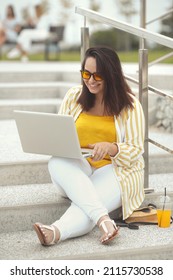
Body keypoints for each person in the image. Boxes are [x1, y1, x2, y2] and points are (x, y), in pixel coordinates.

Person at [33, 46, 145, 246]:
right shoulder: (73, 97)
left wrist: (112, 148)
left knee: (89, 204)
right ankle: (104, 219)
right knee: (57, 161)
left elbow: (136, 150)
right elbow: (58, 133)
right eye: (86, 73)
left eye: (97, 75)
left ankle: (55, 232)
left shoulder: (131, 106)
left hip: (115, 170)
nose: (90, 80)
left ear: (111, 75)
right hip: (77, 169)